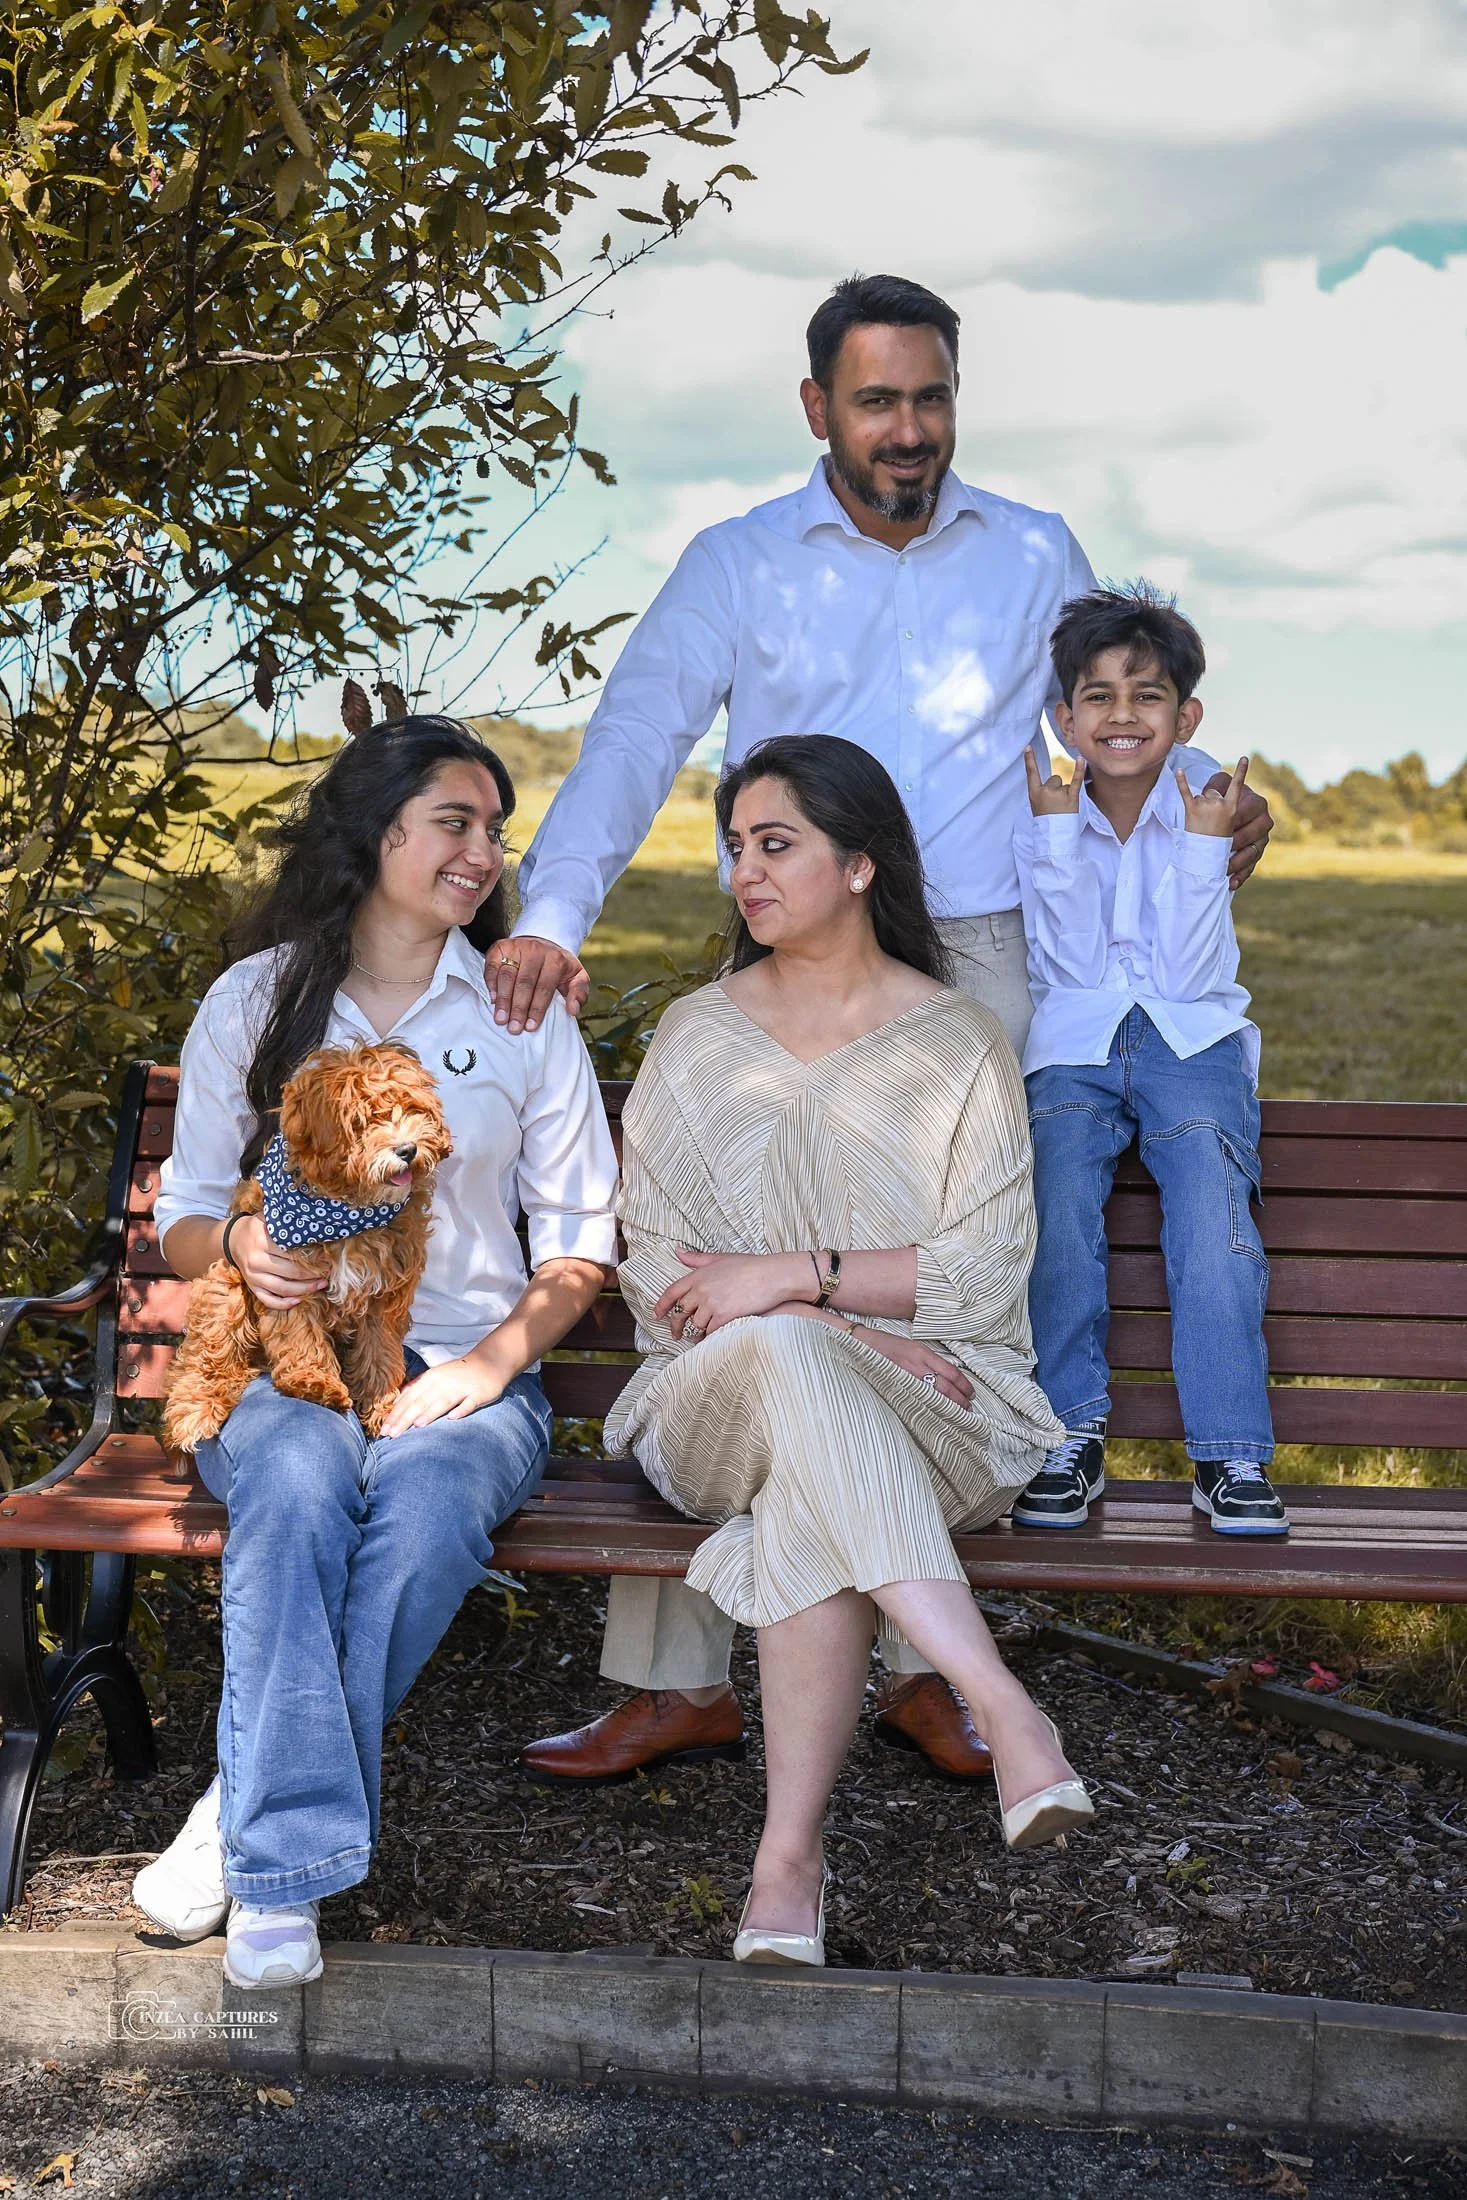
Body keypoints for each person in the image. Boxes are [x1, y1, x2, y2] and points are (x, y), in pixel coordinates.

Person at [509, 271, 1275, 1786]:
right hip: (789, 931)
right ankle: (677, 1677)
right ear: (816, 411)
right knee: (735, 1283)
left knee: (942, 1300)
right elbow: (633, 736)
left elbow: (1120, 697)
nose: (906, 430)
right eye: (875, 401)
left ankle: (928, 1664)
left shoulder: (1031, 548)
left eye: (929, 398)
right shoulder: (738, 563)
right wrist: (551, 917)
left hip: (985, 952)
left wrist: (1215, 819)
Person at [131, 718, 619, 1989]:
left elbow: (578, 1243)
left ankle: (244, 1820)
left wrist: (491, 1367)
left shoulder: (518, 1010)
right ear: (378, 829)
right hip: (286, 1355)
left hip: (464, 1359)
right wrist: (238, 1242)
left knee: (428, 1502)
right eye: (456, 821)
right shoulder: (259, 998)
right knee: (294, 1483)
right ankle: (281, 1860)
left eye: (495, 830)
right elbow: (181, 1213)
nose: (483, 851)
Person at [603, 733, 1093, 1965]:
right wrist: (820, 1312)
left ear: (863, 864)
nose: (744, 875)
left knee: (805, 1482)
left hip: (945, 1413)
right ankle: (1002, 1705)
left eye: (776, 845)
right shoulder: (696, 1036)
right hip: (709, 1404)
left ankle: (788, 1863)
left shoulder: (960, 1041)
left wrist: (783, 1277)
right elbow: (658, 1276)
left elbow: (983, 1278)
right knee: (791, 1364)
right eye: (735, 849)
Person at [1012, 586, 1286, 1537]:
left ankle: (1229, 1454)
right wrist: (1053, 837)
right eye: (1097, 697)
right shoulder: (1044, 807)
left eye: (1147, 696)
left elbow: (1183, 971)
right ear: (1064, 716)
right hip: (1075, 1044)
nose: (1121, 716)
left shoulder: (1203, 803)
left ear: (1185, 716)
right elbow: (1070, 970)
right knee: (1054, 1214)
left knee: (1212, 1227)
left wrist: (1203, 855)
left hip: (1192, 1040)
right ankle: (1066, 1435)